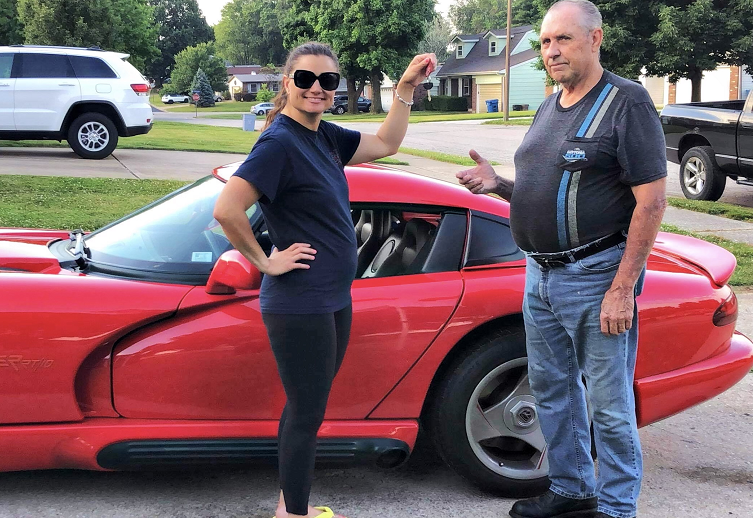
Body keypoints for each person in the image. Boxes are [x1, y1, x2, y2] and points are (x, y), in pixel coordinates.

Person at [455, 2, 667, 517]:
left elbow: (652, 201)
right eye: (546, 42)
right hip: (540, 274)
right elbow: (542, 189)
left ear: (595, 39)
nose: (551, 51)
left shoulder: (626, 103)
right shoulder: (551, 104)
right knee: (553, 391)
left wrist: (622, 288)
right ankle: (571, 491)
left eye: (564, 40)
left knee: (609, 405)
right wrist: (498, 185)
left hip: (597, 276)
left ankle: (617, 509)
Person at [213, 42, 436, 518]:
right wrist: (266, 261)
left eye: (328, 81)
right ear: (286, 84)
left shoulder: (323, 136)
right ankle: (294, 512)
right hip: (301, 302)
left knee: (304, 407)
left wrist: (404, 91)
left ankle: (286, 503)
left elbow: (386, 144)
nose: (317, 88)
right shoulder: (280, 142)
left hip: (332, 297)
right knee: (307, 412)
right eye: (306, 79)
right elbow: (227, 208)